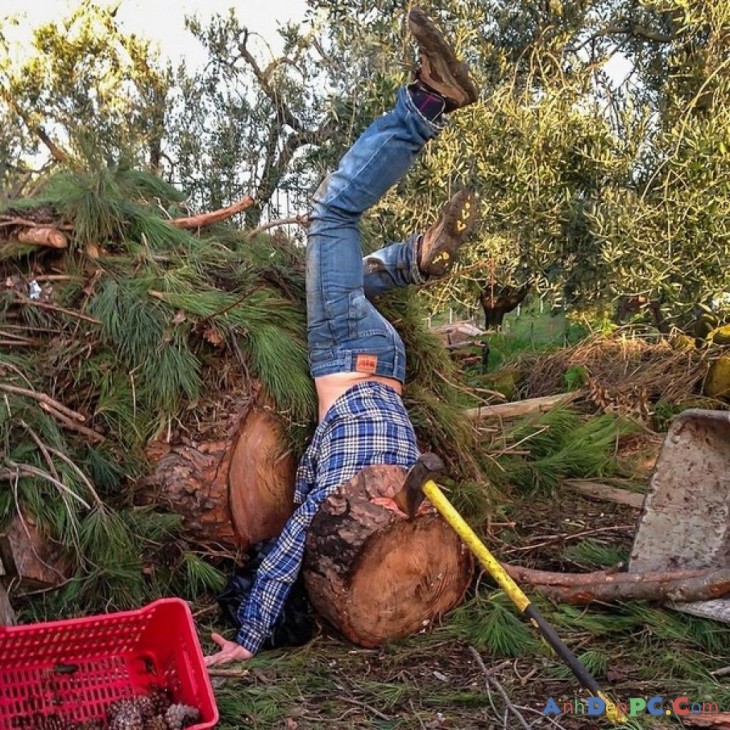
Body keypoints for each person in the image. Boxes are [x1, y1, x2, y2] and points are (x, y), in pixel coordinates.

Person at [204, 7, 479, 667]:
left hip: (383, 362)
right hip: (348, 355)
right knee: (333, 218)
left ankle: (412, 241)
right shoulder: (352, 496)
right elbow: (279, 562)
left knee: (336, 253)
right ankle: (425, 110)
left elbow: (289, 558)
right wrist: (247, 637)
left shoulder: (403, 482)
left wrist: (248, 639)